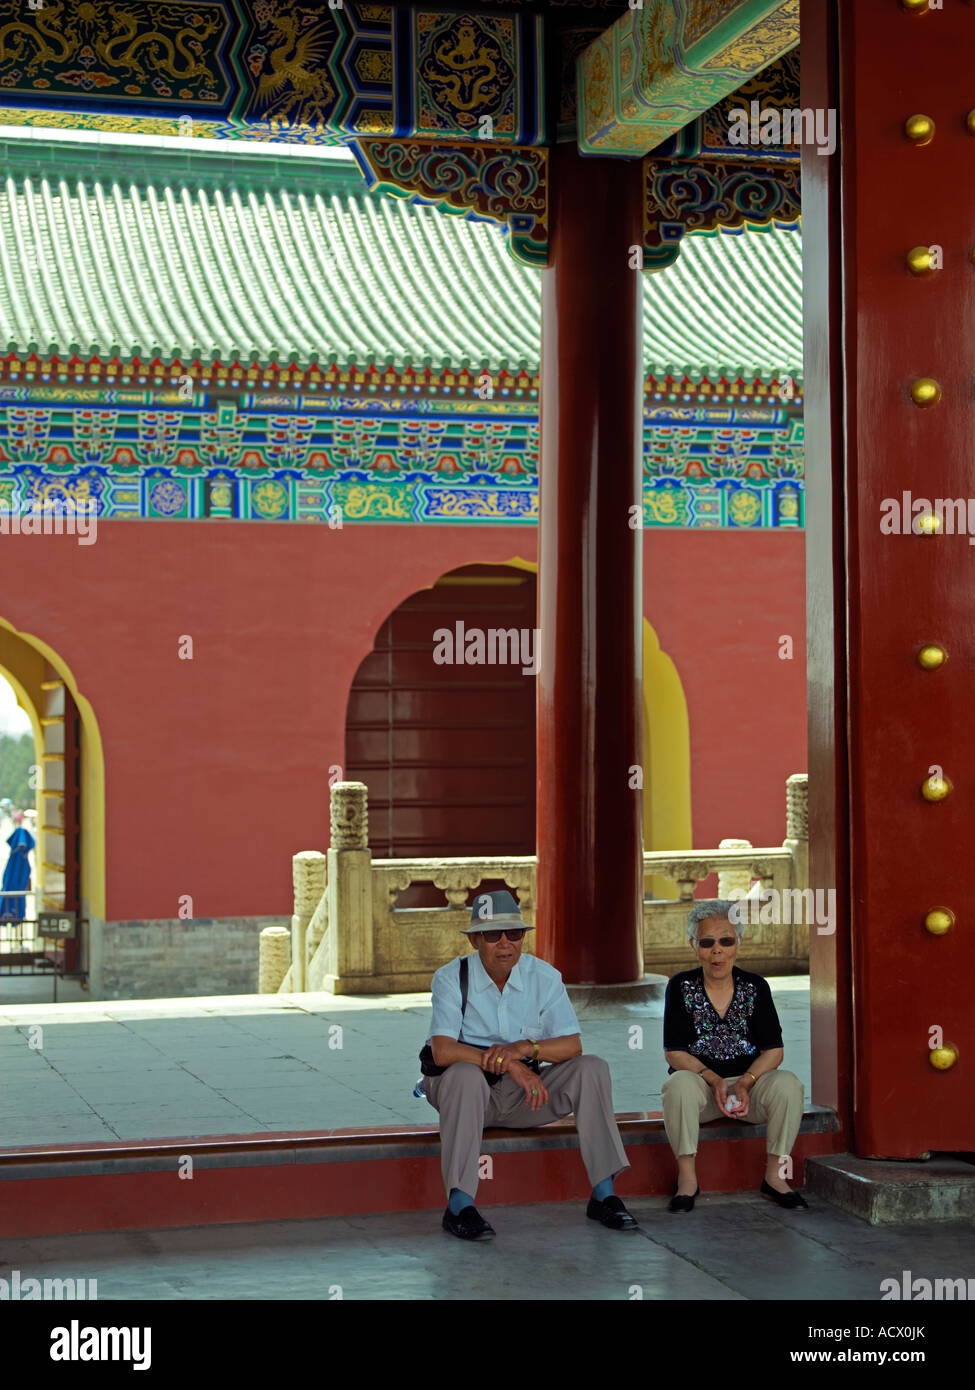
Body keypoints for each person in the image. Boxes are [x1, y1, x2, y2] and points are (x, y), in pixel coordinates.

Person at [422, 889, 637, 1240]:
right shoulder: (451, 977)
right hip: (468, 1095)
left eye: (515, 934)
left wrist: (525, 1048)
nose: (505, 944)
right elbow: (443, 1050)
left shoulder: (544, 977)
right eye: (493, 935)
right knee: (464, 1075)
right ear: (475, 940)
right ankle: (460, 1204)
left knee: (593, 1068)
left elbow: (572, 1046)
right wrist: (510, 1064)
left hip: (526, 1097)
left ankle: (604, 1194)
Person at [661, 898, 807, 1212]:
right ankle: (687, 1180)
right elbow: (674, 1053)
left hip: (749, 1092)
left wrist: (745, 1083)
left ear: (738, 943)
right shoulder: (680, 986)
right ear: (693, 945)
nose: (717, 950)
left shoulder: (755, 986)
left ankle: (775, 1177)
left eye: (726, 941)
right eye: (707, 942)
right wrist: (714, 1080)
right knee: (678, 1086)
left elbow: (774, 1051)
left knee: (788, 1085)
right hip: (703, 1092)